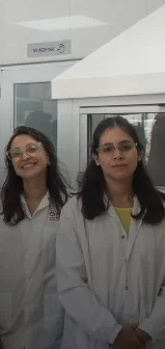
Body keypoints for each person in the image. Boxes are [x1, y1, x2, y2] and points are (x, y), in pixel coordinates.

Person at [57, 116, 165, 349]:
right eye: (108, 149)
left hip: (149, 339)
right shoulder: (74, 212)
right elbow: (71, 284)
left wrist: (147, 330)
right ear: (96, 158)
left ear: (138, 153)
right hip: (90, 339)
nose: (118, 155)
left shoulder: (161, 209)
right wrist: (114, 333)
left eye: (125, 147)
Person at [0, 126, 70, 349]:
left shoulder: (68, 205)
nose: (24, 156)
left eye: (32, 149)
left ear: (48, 156)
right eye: (16, 153)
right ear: (12, 164)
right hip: (4, 324)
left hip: (55, 325)